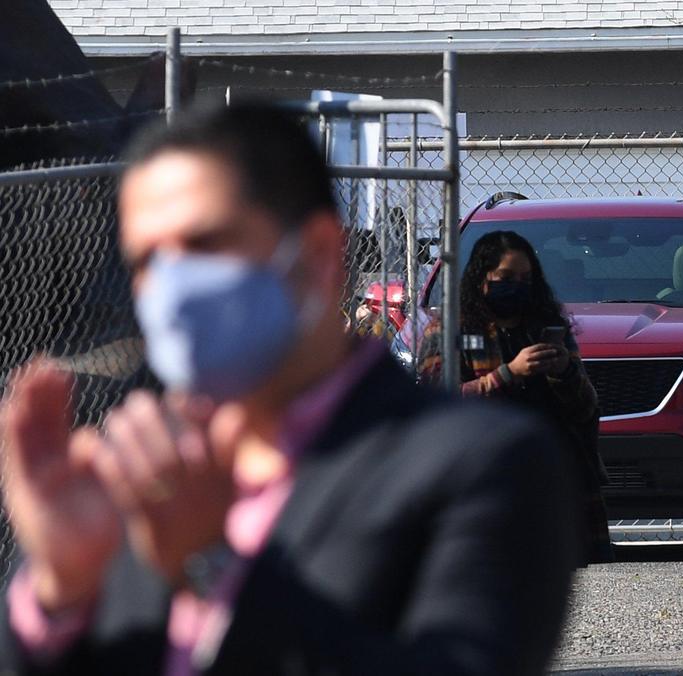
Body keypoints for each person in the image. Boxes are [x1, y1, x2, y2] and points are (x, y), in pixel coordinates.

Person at [0, 104, 577, 675]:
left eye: (206, 244)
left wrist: (213, 569)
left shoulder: (483, 465)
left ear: (320, 254)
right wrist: (58, 591)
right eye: (148, 258)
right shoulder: (136, 467)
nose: (172, 283)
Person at [417, 231, 613, 565]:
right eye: (505, 278)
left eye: (525, 279)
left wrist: (564, 370)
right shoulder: (450, 329)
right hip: (484, 472)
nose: (516, 286)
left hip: (553, 472)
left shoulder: (547, 326)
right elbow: (437, 406)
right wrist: (509, 374)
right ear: (483, 279)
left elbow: (586, 408)